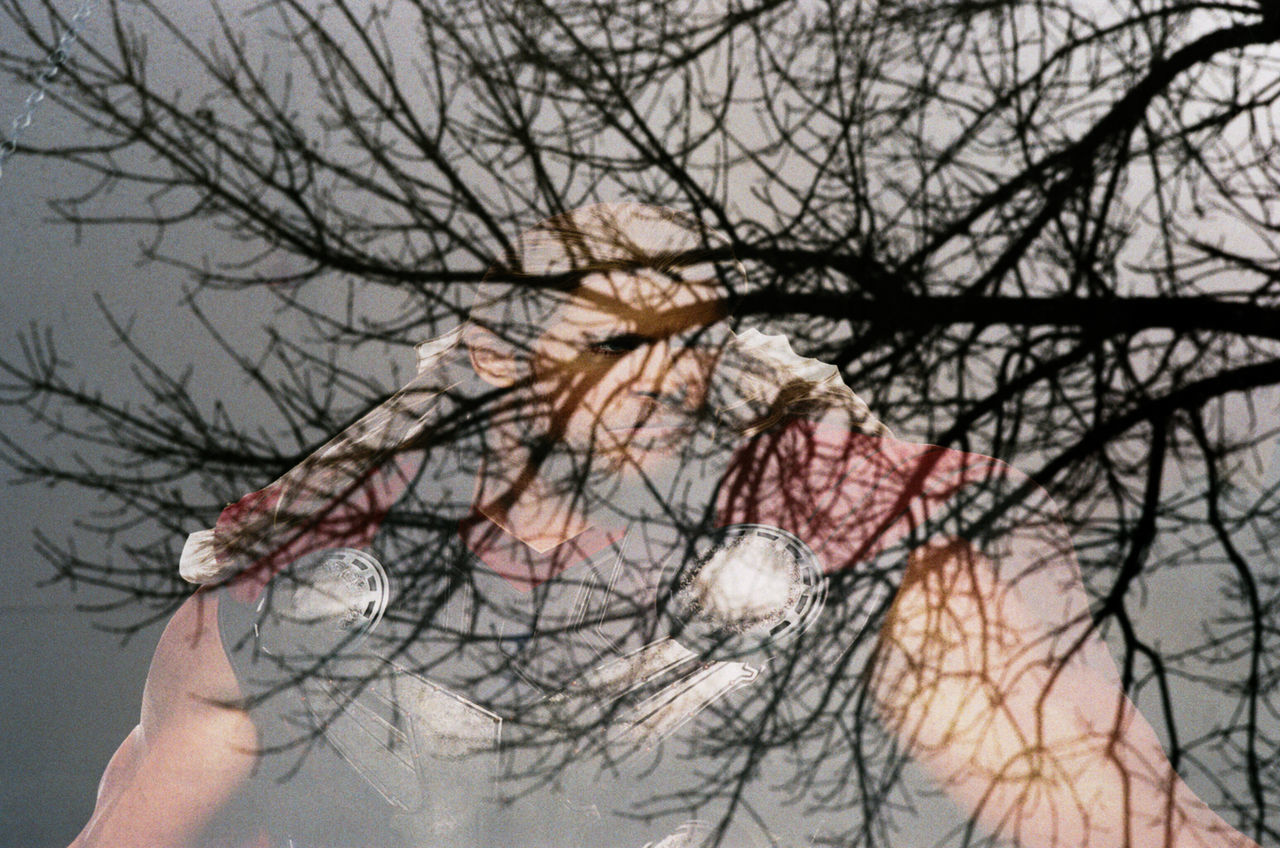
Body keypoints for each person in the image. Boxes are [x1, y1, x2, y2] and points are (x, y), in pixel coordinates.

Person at [69, 203, 1257, 848]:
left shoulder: (835, 517)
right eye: (606, 342)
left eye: (680, 343)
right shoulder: (311, 558)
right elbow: (141, 817)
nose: (659, 382)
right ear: (485, 355)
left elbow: (1106, 813)